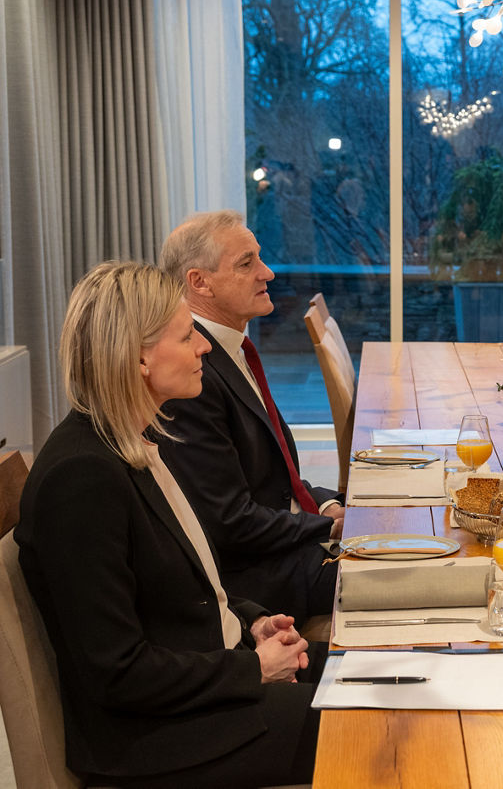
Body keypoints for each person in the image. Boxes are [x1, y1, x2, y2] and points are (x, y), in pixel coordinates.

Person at [17, 262, 319, 787]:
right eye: (187, 337)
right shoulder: (83, 476)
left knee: (374, 691)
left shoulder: (132, 439)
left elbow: (184, 585)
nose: (204, 348)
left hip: (199, 695)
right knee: (372, 725)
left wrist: (250, 621)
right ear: (137, 357)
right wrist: (253, 669)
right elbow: (117, 672)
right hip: (157, 741)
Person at [158, 210, 342, 620]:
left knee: (418, 536)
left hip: (283, 547)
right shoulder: (193, 371)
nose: (268, 273)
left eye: (259, 257)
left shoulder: (230, 347)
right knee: (418, 572)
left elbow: (274, 482)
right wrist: (327, 527)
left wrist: (329, 507)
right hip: (255, 578)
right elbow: (229, 521)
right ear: (199, 282)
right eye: (247, 263)